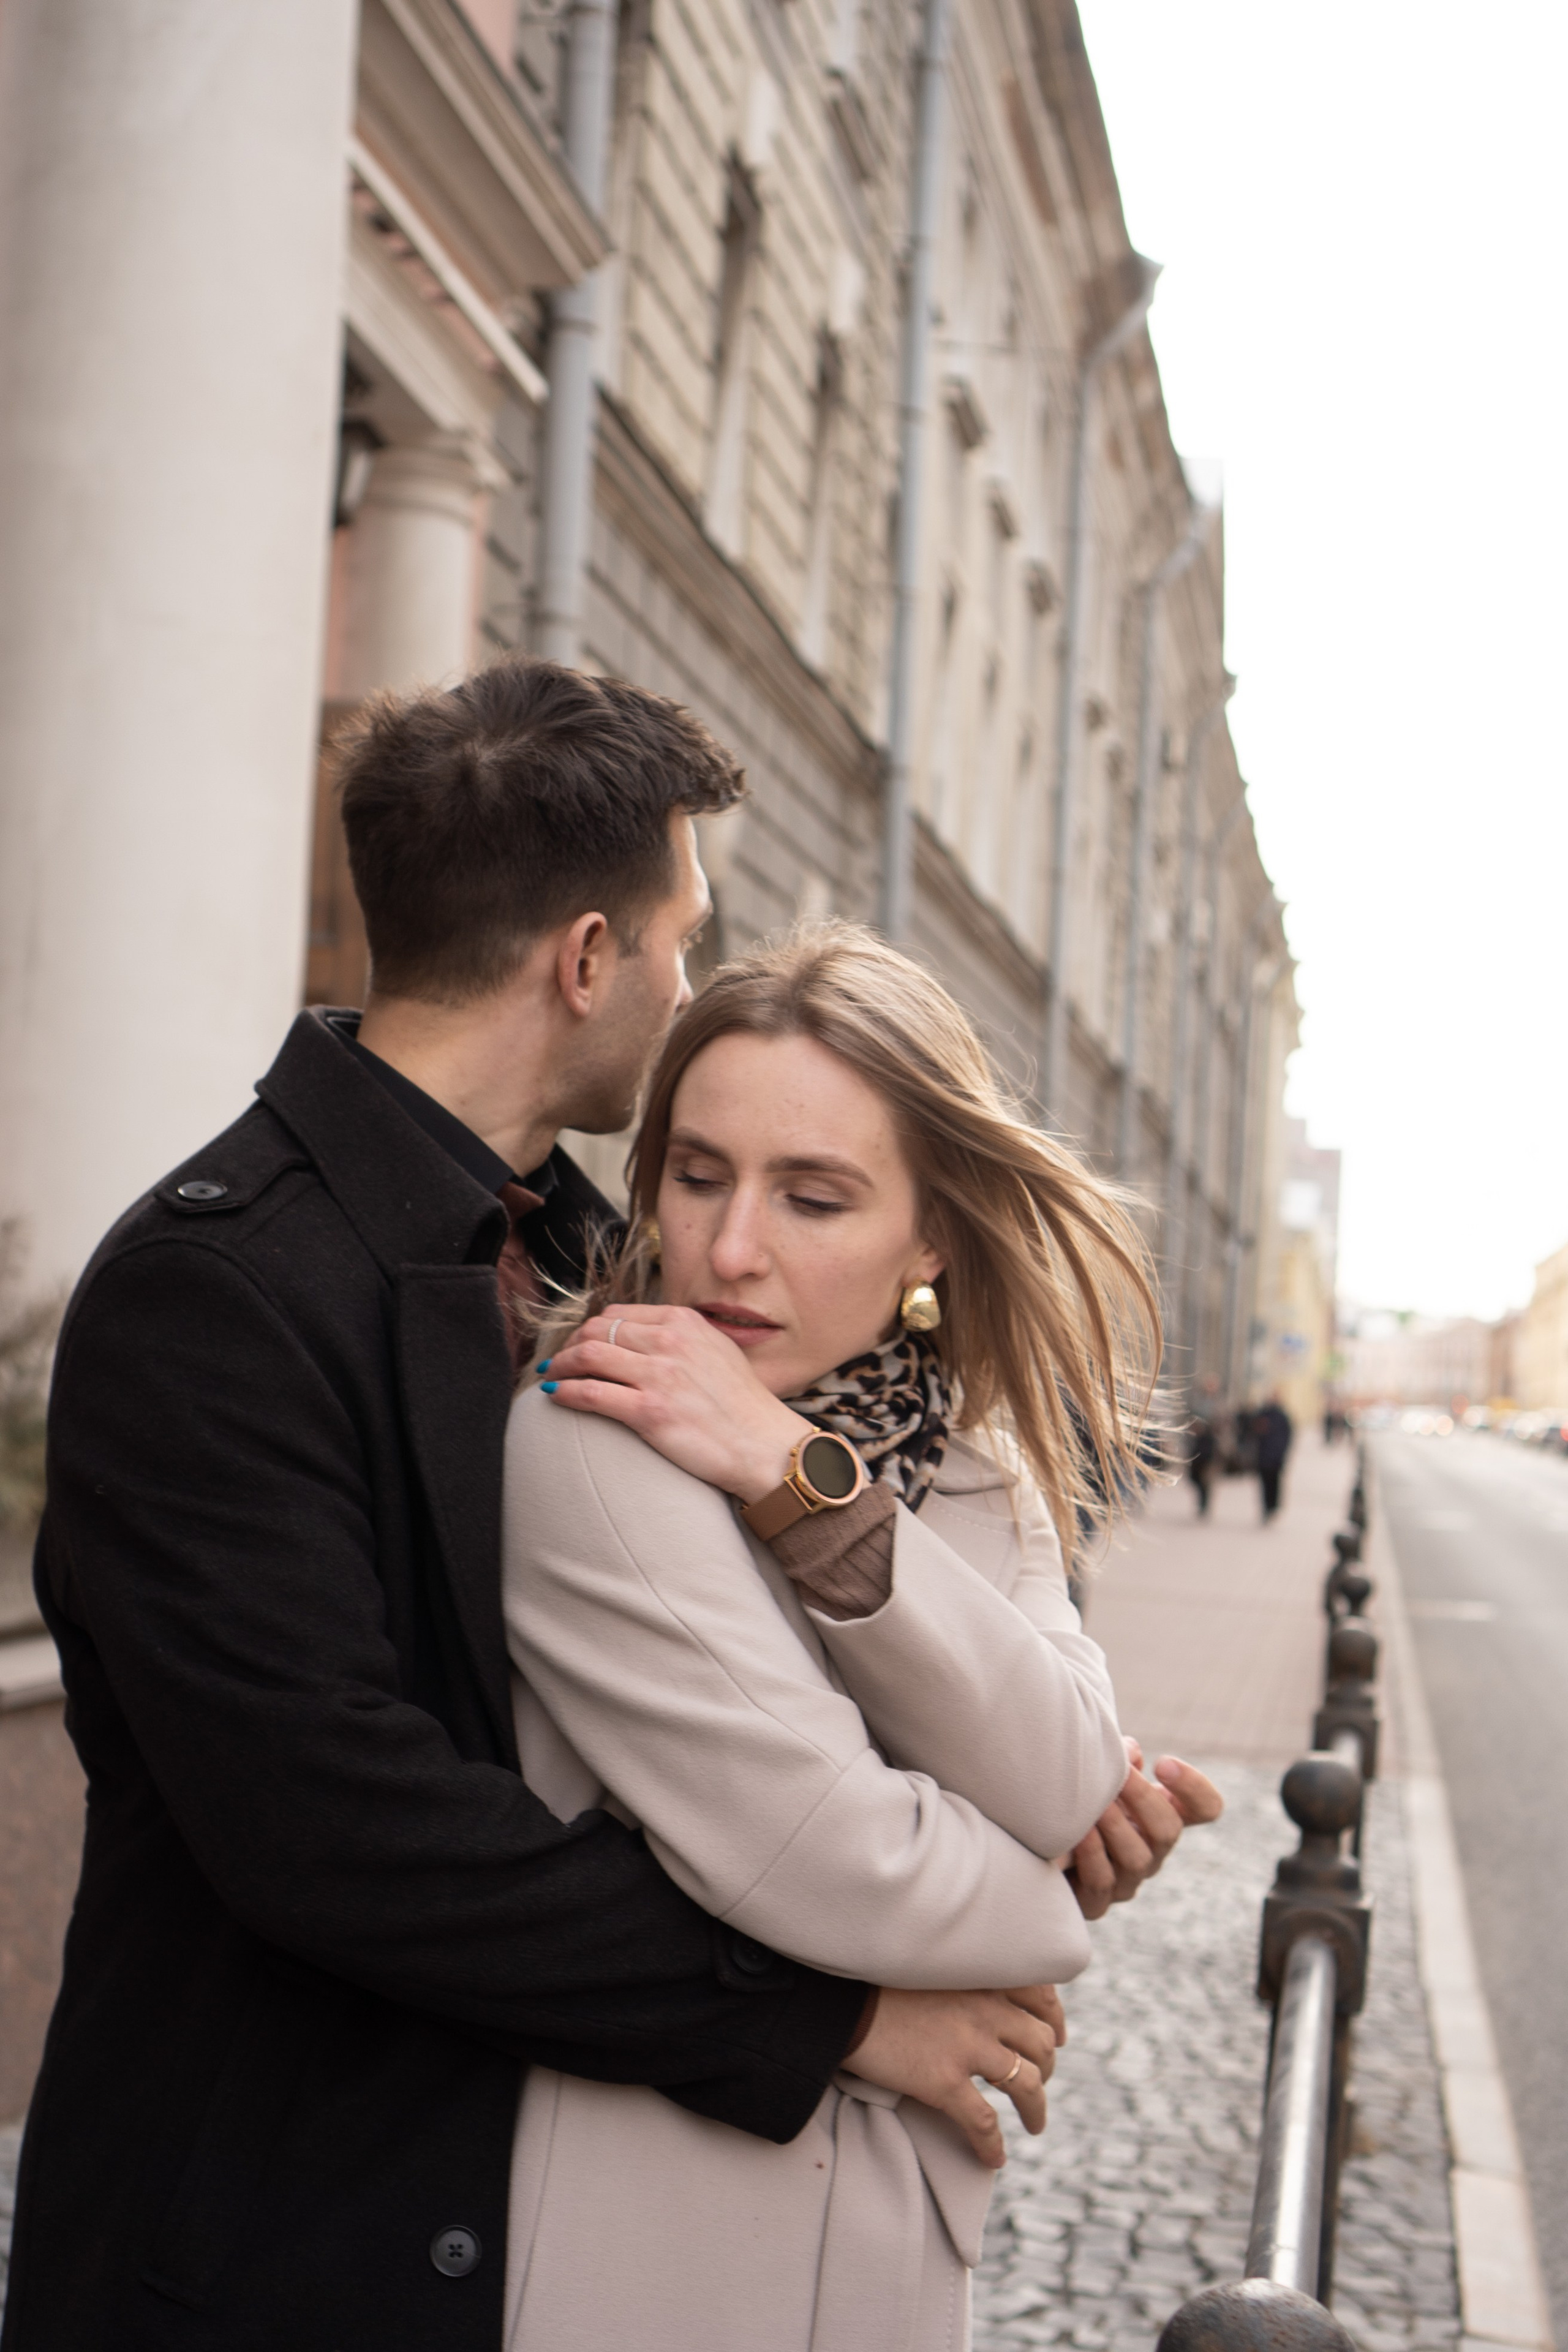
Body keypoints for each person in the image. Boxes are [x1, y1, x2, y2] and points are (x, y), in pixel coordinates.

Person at [8, 660, 1213, 2352]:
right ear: (592, 960)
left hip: (518, 2201)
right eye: (684, 934)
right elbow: (340, 1832)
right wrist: (836, 2013)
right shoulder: (218, 1286)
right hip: (273, 2230)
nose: (693, 981)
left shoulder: (593, 1269)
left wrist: (1037, 1795)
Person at [497, 925, 1223, 2351]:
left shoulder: (969, 1463)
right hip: (667, 2234)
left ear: (929, 1234)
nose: (729, 1245)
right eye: (696, 1174)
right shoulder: (596, 1436)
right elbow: (835, 1857)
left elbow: (1069, 1758)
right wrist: (1058, 1879)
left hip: (895, 2220)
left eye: (812, 1195)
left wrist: (792, 1471)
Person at [1253, 1390, 1294, 1520]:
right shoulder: (1262, 1414)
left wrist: (1283, 1452)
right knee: (1264, 1482)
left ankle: (1273, 1506)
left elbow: (1288, 1436)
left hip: (1276, 1456)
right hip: (1264, 1455)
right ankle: (1266, 1506)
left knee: (1275, 1482)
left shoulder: (1282, 1416)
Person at [1186, 1376, 1221, 1517]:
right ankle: (1201, 1499)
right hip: (1198, 1445)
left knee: (1207, 1478)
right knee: (1194, 1476)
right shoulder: (1198, 1403)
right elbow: (1189, 1420)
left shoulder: (1219, 1404)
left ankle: (1205, 1503)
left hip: (1212, 1447)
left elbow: (1225, 1424)